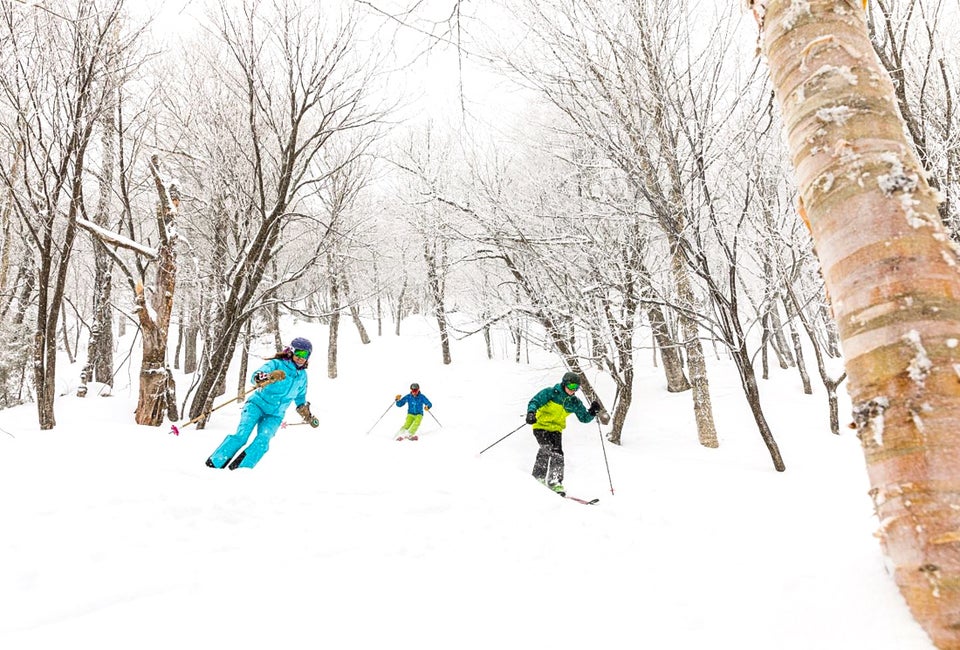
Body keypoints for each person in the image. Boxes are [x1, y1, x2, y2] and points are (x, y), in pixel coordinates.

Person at [205, 337, 318, 470]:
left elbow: (300, 398)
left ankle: (240, 470)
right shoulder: (277, 364)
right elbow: (256, 376)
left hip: (275, 415)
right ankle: (214, 464)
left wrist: (308, 415)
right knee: (242, 436)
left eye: (304, 355)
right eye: (298, 353)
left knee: (263, 442)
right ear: (291, 352)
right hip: (256, 406)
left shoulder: (302, 377)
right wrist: (268, 377)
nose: (300, 357)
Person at [526, 371, 600, 495]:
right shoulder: (551, 393)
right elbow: (535, 401)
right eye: (571, 387)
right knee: (547, 447)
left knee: (558, 453)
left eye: (576, 388)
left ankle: (555, 481)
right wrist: (531, 413)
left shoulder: (574, 402)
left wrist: (592, 412)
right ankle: (538, 477)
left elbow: (584, 418)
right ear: (564, 384)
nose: (573, 390)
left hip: (556, 429)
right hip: (541, 426)